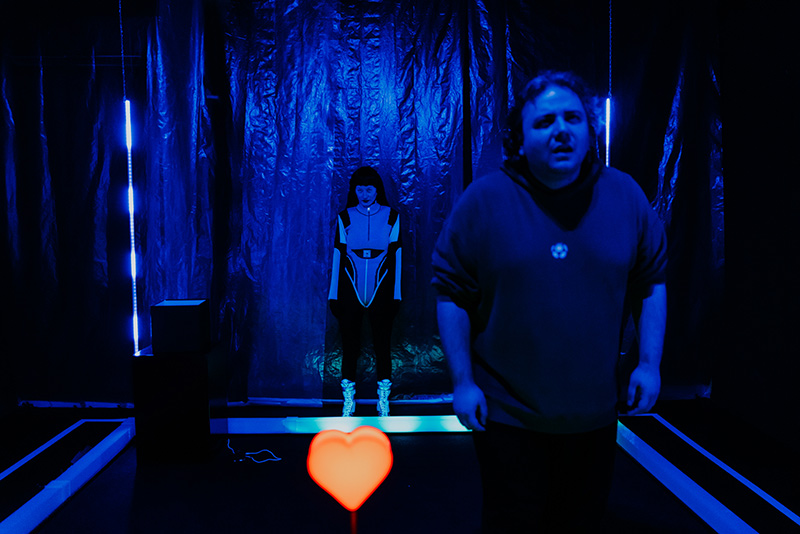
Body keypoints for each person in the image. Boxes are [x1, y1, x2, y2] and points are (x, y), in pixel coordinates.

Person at [432, 71, 667, 532]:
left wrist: (649, 364)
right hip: (507, 415)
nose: (561, 130)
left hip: (595, 416)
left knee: (580, 524)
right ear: (519, 139)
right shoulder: (484, 201)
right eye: (543, 122)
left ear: (590, 128)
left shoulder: (625, 195)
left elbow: (651, 282)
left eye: (572, 118)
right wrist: (462, 382)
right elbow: (450, 293)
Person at [329, 166, 402, 417]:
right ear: (354, 191)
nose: (365, 194)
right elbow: (338, 255)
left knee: (383, 344)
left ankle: (383, 400)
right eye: (360, 189)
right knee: (350, 345)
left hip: (382, 287)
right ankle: (348, 401)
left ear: (377, 190)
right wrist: (333, 294)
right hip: (350, 286)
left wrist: (396, 294)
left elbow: (397, 256)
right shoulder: (345, 217)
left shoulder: (391, 216)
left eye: (369, 189)